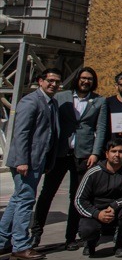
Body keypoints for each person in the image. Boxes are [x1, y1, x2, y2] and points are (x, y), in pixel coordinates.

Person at [33, 66, 108, 250]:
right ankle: (35, 234)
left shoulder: (99, 101)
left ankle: (70, 237)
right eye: (83, 78)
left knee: (76, 197)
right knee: (46, 195)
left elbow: (101, 129)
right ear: (77, 79)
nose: (86, 81)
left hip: (83, 155)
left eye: (90, 79)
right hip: (60, 153)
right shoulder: (61, 98)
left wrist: (95, 153)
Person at [0, 68, 62, 260]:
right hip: (26, 162)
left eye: (57, 82)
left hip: (38, 160)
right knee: (25, 201)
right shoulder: (30, 101)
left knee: (18, 200)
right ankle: (20, 245)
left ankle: (3, 241)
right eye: (50, 80)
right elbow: (21, 133)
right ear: (41, 81)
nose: (54, 84)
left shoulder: (51, 102)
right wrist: (21, 161)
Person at [74, 139, 122, 258]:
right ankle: (90, 243)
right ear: (106, 154)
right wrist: (97, 213)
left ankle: (120, 245)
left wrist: (115, 205)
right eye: (113, 151)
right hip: (96, 211)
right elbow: (79, 200)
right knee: (87, 230)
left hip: (118, 209)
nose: (117, 155)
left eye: (121, 151)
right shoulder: (93, 172)